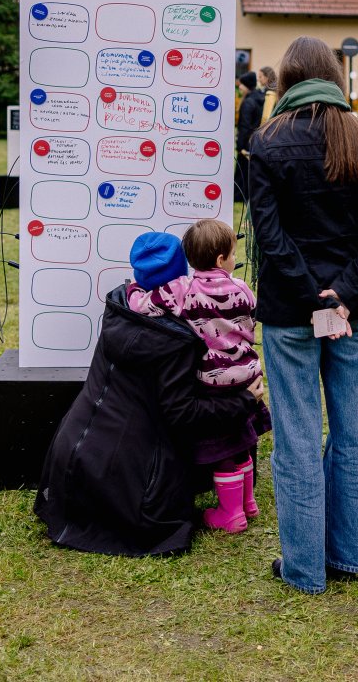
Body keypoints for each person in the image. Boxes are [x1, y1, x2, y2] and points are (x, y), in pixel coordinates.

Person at [248, 36, 358, 593]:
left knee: (297, 437)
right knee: (351, 431)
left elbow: (269, 233)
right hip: (349, 308)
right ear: (334, 76)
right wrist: (343, 289)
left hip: (294, 308)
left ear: (286, 79)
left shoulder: (268, 141)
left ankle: (306, 569)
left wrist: (316, 290)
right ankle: (346, 557)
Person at [34, 231, 261, 557]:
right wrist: (244, 401)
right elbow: (182, 414)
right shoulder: (176, 339)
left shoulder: (119, 305)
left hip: (70, 468)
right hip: (131, 488)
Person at [129, 219, 271, 534]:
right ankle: (247, 503)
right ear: (221, 259)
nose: (235, 259)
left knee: (223, 450)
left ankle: (230, 514)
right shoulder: (242, 288)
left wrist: (134, 288)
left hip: (214, 383)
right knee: (242, 441)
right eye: (233, 254)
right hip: (248, 376)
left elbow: (140, 305)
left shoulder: (182, 289)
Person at [234, 72, 265, 202]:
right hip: (257, 140)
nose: (240, 87)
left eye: (241, 84)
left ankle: (239, 196)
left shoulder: (248, 102)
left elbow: (244, 126)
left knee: (242, 171)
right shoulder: (260, 99)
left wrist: (240, 145)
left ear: (247, 86)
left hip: (246, 142)